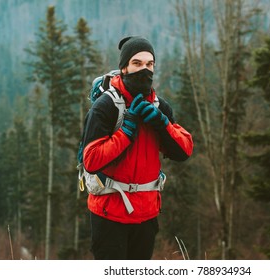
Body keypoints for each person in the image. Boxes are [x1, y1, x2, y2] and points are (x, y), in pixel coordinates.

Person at [81, 36, 194, 260]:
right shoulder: (106, 106)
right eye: (137, 63)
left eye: (149, 64)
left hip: (146, 214)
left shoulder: (159, 106)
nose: (145, 70)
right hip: (109, 214)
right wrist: (126, 132)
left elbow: (184, 150)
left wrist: (163, 125)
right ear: (124, 68)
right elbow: (91, 160)